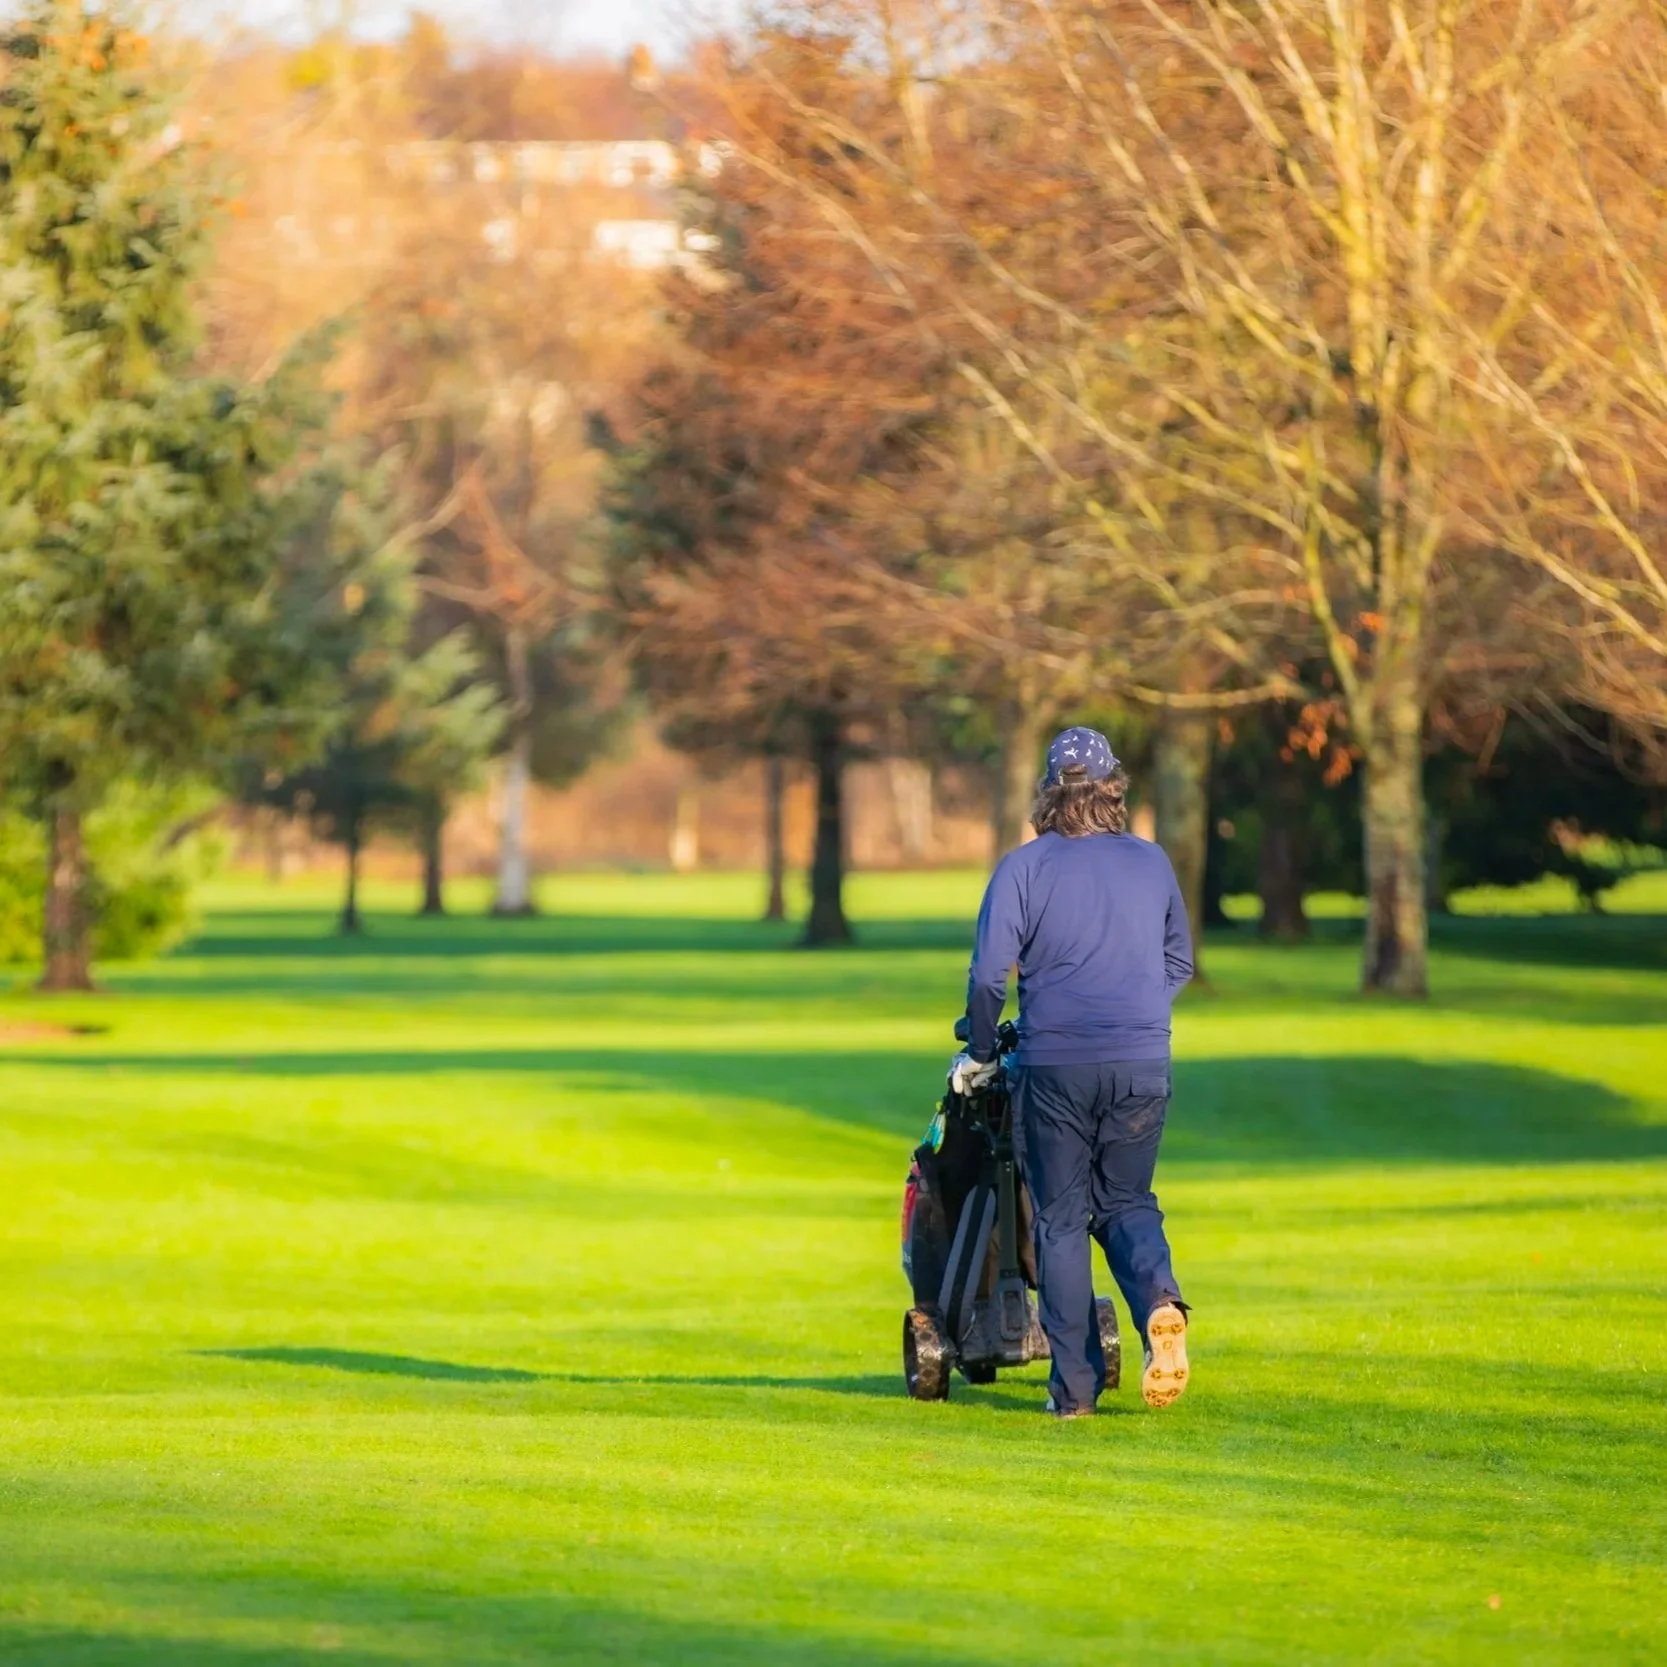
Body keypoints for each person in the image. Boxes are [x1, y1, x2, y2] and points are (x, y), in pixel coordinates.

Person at [952, 725, 1193, 1418]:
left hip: (1055, 1061)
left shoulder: (1023, 869)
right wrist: (1132, 1009)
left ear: (1049, 793)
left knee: (1058, 1219)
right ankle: (1157, 1300)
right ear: (1112, 787)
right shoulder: (1152, 863)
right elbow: (1177, 960)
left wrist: (979, 1043)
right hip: (1142, 1060)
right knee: (1126, 1201)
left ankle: (1076, 1394)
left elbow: (987, 974)